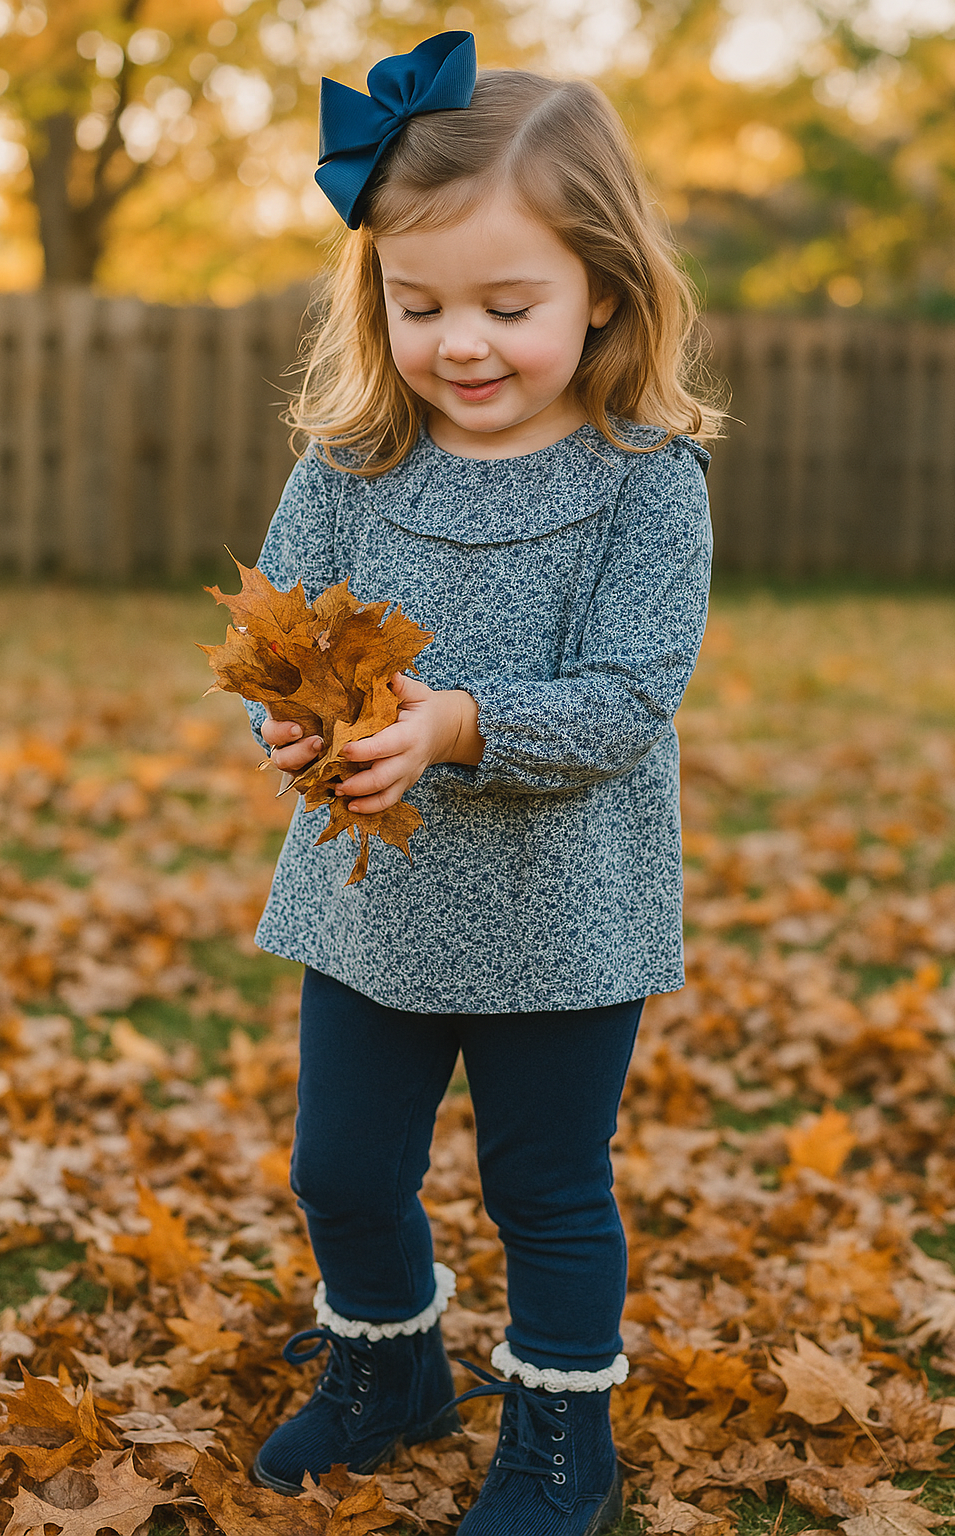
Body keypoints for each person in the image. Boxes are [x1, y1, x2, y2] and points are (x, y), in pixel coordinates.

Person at [243, 30, 718, 1535]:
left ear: (604, 293)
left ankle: (565, 1431)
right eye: (417, 301)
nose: (460, 342)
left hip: (566, 918)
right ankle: (391, 1369)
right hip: (375, 910)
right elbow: (289, 642)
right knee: (341, 1169)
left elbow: (629, 704)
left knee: (550, 1185)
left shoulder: (646, 480)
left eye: (509, 307)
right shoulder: (350, 466)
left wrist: (453, 725)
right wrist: (294, 726)